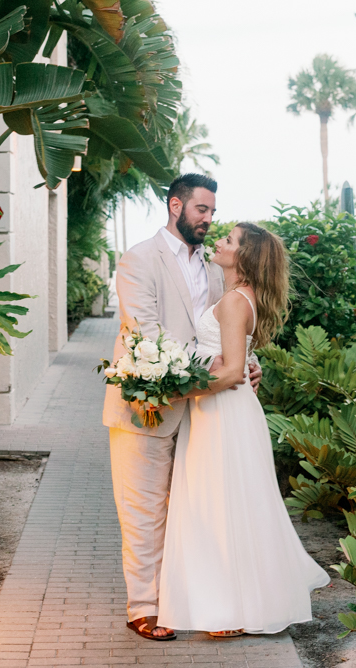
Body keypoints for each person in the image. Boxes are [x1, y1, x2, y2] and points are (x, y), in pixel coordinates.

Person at [102, 174, 262, 641]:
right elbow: (147, 334)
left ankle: (191, 603)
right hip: (146, 406)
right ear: (176, 206)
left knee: (193, 513)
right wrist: (224, 370)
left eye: (212, 212)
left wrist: (247, 364)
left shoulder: (213, 268)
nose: (208, 220)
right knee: (144, 511)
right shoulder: (139, 260)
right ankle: (144, 608)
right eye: (201, 210)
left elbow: (223, 328)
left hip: (202, 412)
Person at [157, 223, 330, 637]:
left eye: (229, 240)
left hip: (223, 413)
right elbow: (237, 358)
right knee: (225, 505)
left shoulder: (236, 301)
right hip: (218, 411)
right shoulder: (237, 295)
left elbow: (234, 371)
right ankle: (233, 603)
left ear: (245, 257)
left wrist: (173, 392)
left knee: (219, 507)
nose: (219, 241)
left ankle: (229, 611)